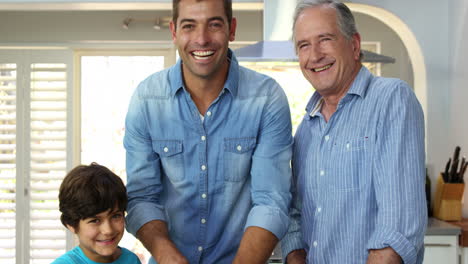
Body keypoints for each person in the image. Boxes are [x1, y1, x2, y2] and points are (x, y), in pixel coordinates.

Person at [123, 0, 293, 263]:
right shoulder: (147, 99)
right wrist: (166, 253)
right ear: (174, 32)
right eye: (189, 26)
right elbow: (142, 197)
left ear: (231, 29)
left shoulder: (266, 98)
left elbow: (271, 201)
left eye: (214, 24)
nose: (201, 39)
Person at [281, 1, 427, 263]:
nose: (314, 56)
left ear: (354, 44)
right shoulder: (306, 129)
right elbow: (296, 216)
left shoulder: (391, 99)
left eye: (324, 39)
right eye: (303, 45)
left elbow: (395, 233)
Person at [52, 162, 141, 264]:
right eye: (95, 220)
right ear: (71, 224)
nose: (108, 230)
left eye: (115, 216)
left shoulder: (132, 260)